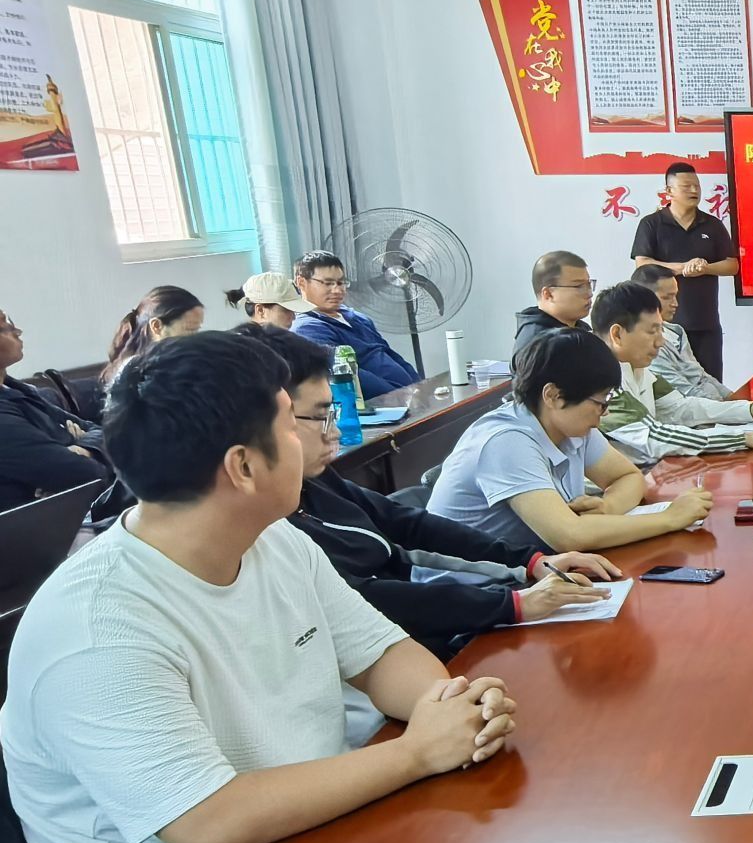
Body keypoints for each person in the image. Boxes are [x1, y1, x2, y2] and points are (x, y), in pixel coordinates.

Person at [0, 332, 517, 843]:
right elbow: (209, 825)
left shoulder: (274, 542)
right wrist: (418, 752)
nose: (314, 438)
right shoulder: (95, 627)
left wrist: (448, 711)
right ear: (243, 467)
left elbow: (380, 653)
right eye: (291, 423)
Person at [241, 324, 621, 656]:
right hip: (400, 640)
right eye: (321, 417)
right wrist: (513, 603)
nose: (336, 433)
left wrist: (531, 561)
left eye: (333, 414)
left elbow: (407, 523)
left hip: (417, 634)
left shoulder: (316, 480)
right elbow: (367, 598)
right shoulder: (267, 527)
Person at [425, 327, 712, 565]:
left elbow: (628, 477)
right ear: (553, 395)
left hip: (533, 573)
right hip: (471, 593)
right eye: (600, 403)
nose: (603, 415)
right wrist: (670, 518)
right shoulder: (506, 442)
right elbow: (569, 536)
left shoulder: (570, 424)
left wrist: (608, 507)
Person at [590, 282, 753, 459]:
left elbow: (682, 408)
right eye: (652, 331)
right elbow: (654, 438)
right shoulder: (598, 379)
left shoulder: (637, 368)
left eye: (661, 330)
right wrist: (744, 438)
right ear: (617, 334)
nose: (660, 342)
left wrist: (750, 410)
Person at [629, 162, 737, 381]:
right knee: (671, 387)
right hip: (663, 326)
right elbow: (643, 264)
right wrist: (684, 267)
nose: (694, 190)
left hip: (705, 323)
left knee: (710, 383)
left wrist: (705, 268)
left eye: (697, 185)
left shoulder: (712, 225)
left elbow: (732, 265)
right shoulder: (652, 224)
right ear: (669, 191)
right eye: (686, 186)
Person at [0, 306, 114, 510]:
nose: (17, 331)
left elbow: (101, 431)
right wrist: (73, 446)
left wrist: (84, 448)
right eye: (4, 327)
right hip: (36, 525)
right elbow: (84, 475)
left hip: (75, 510)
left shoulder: (16, 389)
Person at [289, 250, 424, 399]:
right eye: (328, 283)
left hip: (410, 397)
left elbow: (391, 355)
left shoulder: (358, 318)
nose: (337, 290)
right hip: (382, 405)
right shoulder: (307, 329)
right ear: (301, 282)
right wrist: (398, 397)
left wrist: (420, 387)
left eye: (341, 283)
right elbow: (349, 375)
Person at [630, 263, 734, 401]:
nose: (675, 303)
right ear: (643, 297)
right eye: (667, 297)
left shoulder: (677, 332)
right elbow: (682, 391)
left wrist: (735, 398)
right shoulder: (648, 343)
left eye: (675, 296)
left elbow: (700, 375)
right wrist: (728, 408)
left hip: (711, 404)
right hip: (695, 408)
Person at [103, 285, 204, 388]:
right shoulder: (138, 376)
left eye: (197, 330)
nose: (196, 338)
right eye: (189, 329)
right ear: (156, 326)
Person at [512, 250, 595, 356]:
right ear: (548, 294)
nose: (589, 293)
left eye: (588, 284)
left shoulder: (581, 329)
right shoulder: (540, 346)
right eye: (579, 286)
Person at [225, 271, 310, 330]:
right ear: (260, 311)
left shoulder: (281, 344)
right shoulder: (244, 348)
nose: (294, 317)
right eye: (286, 310)